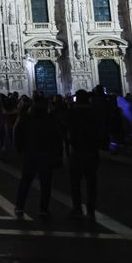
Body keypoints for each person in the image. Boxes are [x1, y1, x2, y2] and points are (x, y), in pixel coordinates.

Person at [13, 97, 63, 218]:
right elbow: (58, 138)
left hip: (29, 154)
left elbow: (17, 133)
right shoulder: (50, 119)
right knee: (46, 183)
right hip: (46, 154)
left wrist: (20, 150)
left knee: (25, 181)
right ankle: (43, 209)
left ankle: (20, 206)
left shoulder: (26, 117)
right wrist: (58, 155)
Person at [66, 89, 101, 220]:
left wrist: (69, 105)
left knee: (75, 182)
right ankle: (91, 210)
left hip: (77, 151)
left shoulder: (72, 113)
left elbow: (67, 125)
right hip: (92, 150)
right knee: (92, 182)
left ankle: (77, 209)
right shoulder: (94, 112)